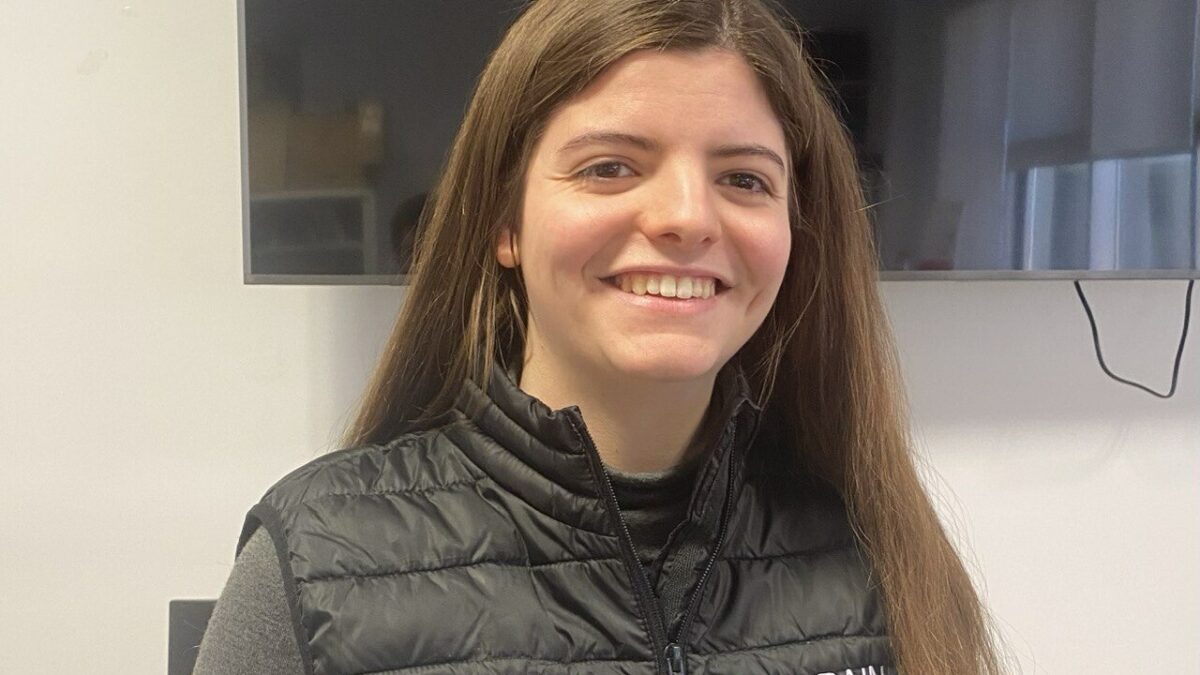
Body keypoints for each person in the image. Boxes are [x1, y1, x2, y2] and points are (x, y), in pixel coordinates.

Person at [196, 0, 1003, 673]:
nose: (687, 217)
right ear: (504, 222)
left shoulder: (878, 548)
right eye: (610, 167)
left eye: (744, 178)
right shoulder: (310, 565)